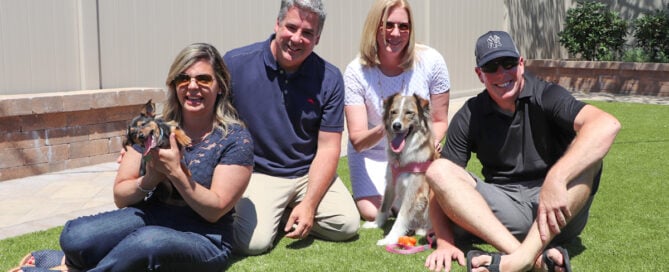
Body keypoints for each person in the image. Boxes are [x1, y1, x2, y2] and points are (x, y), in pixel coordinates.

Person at [423, 31, 621, 272]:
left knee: (591, 157)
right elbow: (439, 185)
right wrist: (445, 243)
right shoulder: (470, 113)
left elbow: (607, 125)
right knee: (438, 170)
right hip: (506, 214)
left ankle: (515, 262)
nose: (502, 73)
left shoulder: (546, 94)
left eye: (508, 64)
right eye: (491, 67)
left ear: (521, 63)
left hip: (560, 211)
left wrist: (556, 178)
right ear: (479, 74)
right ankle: (528, 258)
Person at [52, 43, 253, 271]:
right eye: (183, 79)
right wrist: (150, 179)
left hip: (206, 237)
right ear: (174, 85)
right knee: (77, 236)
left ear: (220, 87)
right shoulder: (153, 128)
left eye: (204, 79)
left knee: (147, 242)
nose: (192, 86)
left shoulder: (235, 138)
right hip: (155, 215)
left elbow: (215, 210)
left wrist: (176, 172)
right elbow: (121, 197)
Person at [223, 0, 360, 256]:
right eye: (291, 27)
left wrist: (309, 203)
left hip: (306, 173)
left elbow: (329, 149)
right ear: (277, 24)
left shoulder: (329, 78)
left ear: (317, 38)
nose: (297, 38)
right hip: (258, 172)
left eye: (307, 33)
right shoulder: (235, 64)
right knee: (253, 244)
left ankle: (287, 210)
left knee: (347, 224)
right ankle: (274, 212)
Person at [343, 0, 451, 222]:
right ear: (375, 27)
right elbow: (358, 141)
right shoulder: (356, 72)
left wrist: (431, 141)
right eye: (388, 25)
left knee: (424, 205)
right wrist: (391, 126)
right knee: (372, 212)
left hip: (415, 152)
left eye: (403, 26)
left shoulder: (432, 61)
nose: (395, 33)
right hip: (371, 153)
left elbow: (440, 120)